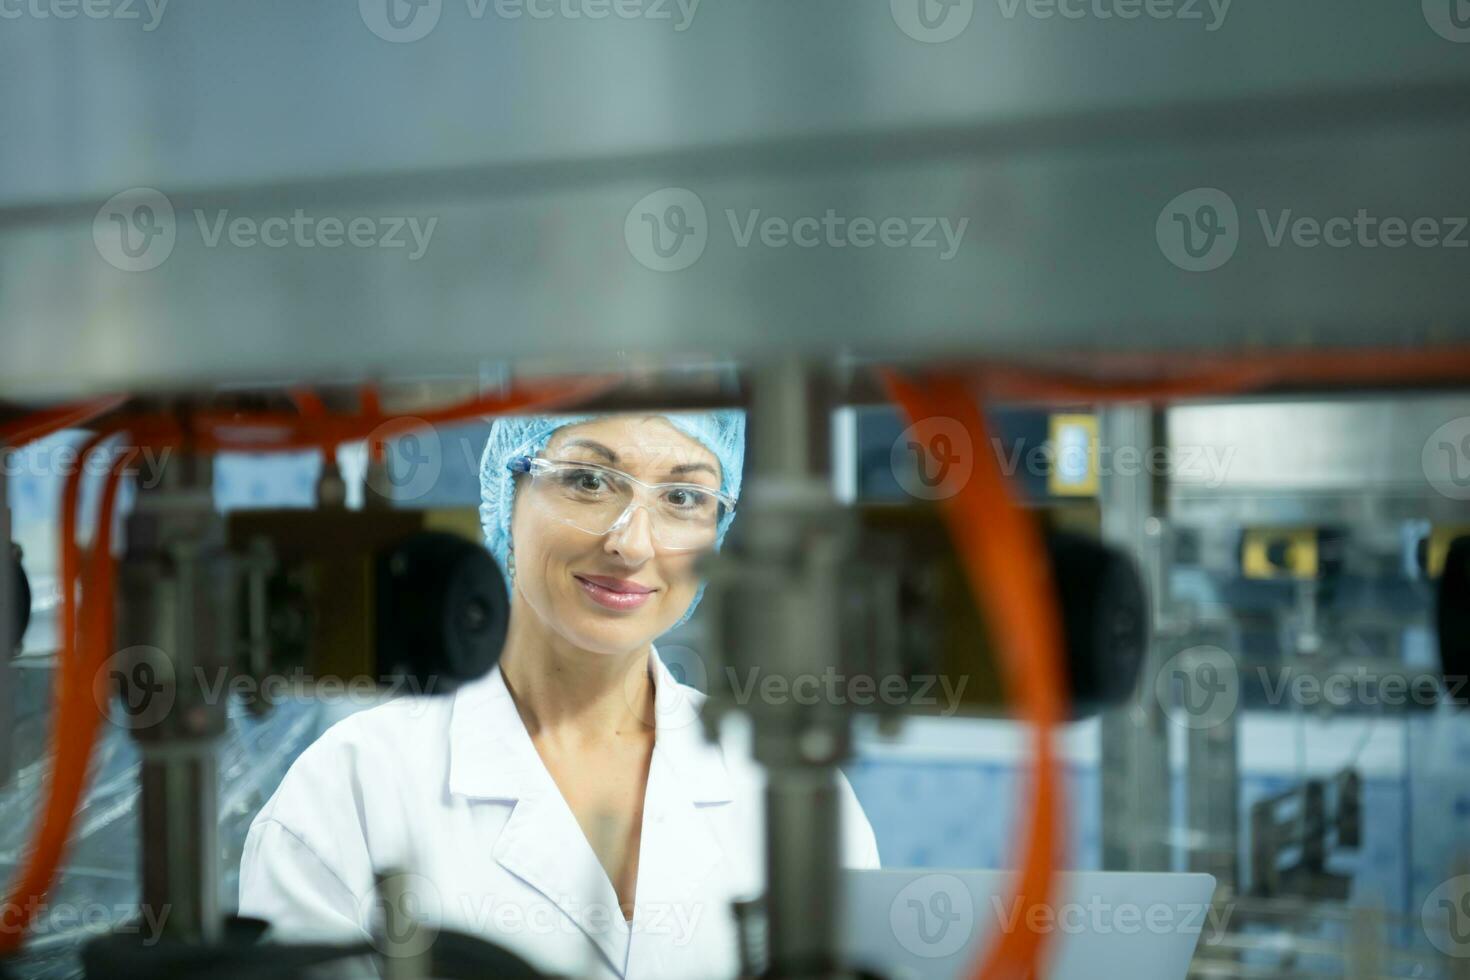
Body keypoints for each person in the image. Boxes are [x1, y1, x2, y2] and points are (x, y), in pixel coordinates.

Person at [238, 410, 880, 979]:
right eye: (589, 481)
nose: (632, 544)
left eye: (684, 496)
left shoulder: (793, 789)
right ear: (505, 493)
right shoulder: (350, 786)